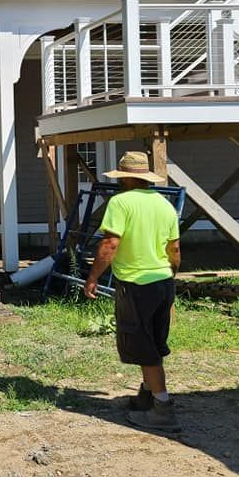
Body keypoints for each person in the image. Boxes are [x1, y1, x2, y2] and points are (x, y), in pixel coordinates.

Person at [84, 151, 182, 432]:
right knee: (154, 341)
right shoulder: (164, 205)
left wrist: (92, 277)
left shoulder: (120, 202)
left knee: (142, 345)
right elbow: (174, 250)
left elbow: (110, 245)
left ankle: (162, 408)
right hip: (163, 282)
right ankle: (148, 395)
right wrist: (170, 274)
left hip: (136, 285)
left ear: (125, 177)